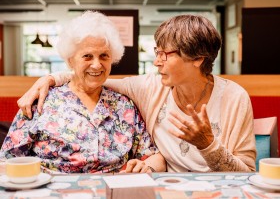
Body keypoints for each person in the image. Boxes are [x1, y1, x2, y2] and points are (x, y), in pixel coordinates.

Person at [17, 14, 256, 172]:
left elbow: (246, 173)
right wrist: (49, 78)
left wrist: (208, 145)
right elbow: (96, 77)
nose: (156, 62)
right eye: (157, 52)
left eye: (165, 54)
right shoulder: (151, 88)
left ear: (197, 59)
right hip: (167, 191)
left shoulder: (234, 98)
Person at [0, 11, 166, 174]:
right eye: (87, 56)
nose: (97, 65)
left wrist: (146, 167)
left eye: (104, 56)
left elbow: (153, 155)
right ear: (70, 60)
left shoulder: (124, 105)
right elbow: (7, 161)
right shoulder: (41, 100)